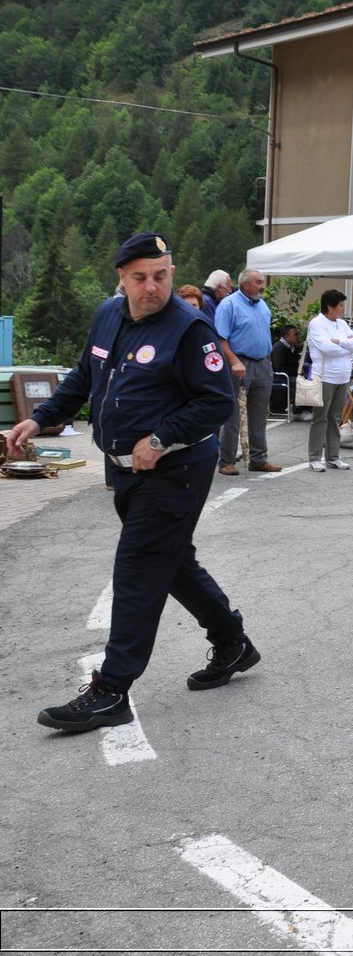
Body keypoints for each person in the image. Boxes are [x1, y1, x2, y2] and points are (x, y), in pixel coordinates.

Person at [8, 233, 259, 732]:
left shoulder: (190, 329)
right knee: (172, 563)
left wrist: (162, 438)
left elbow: (216, 401)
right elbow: (85, 376)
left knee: (138, 569)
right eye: (140, 277)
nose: (152, 287)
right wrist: (41, 419)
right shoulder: (108, 314)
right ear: (121, 278)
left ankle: (111, 691)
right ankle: (233, 642)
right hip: (124, 468)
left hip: (177, 468)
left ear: (171, 271)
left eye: (161, 275)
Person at [213, 268, 282, 475]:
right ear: (245, 285)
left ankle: (258, 459)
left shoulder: (262, 306)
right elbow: (220, 338)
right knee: (233, 415)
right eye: (259, 282)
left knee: (260, 415)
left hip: (262, 364)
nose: (263, 285)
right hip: (239, 363)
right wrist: (234, 361)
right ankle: (226, 461)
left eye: (262, 281)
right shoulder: (229, 305)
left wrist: (268, 360)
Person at [304, 289, 353, 472]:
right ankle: (315, 457)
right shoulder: (317, 324)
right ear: (330, 306)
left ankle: (333, 457)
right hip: (325, 376)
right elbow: (326, 348)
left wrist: (340, 342)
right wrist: (346, 346)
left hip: (342, 376)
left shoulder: (341, 324)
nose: (342, 309)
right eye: (340, 306)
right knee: (320, 417)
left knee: (335, 418)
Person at [269, 323, 301, 418]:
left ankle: (302, 409)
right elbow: (279, 368)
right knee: (298, 383)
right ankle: (297, 411)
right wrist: (297, 372)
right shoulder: (279, 347)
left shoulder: (294, 348)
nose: (297, 337)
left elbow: (294, 363)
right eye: (295, 335)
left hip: (289, 375)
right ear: (286, 336)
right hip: (279, 377)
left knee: (305, 381)